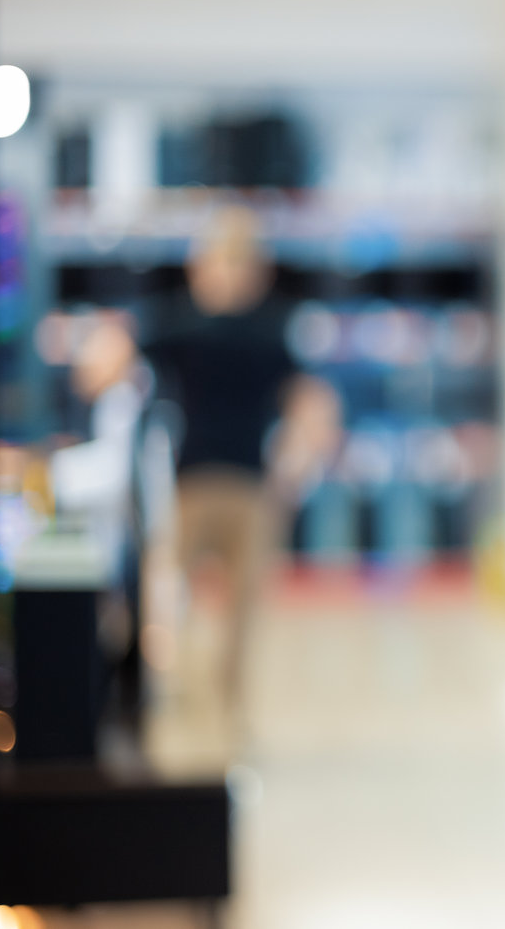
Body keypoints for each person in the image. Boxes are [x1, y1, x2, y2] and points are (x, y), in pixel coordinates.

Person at [144, 207, 340, 727]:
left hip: (251, 487)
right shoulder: (180, 323)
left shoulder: (270, 331)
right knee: (172, 604)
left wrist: (299, 459)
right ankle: (179, 700)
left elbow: (309, 401)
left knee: (242, 616)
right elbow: (126, 361)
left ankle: (228, 710)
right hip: (190, 485)